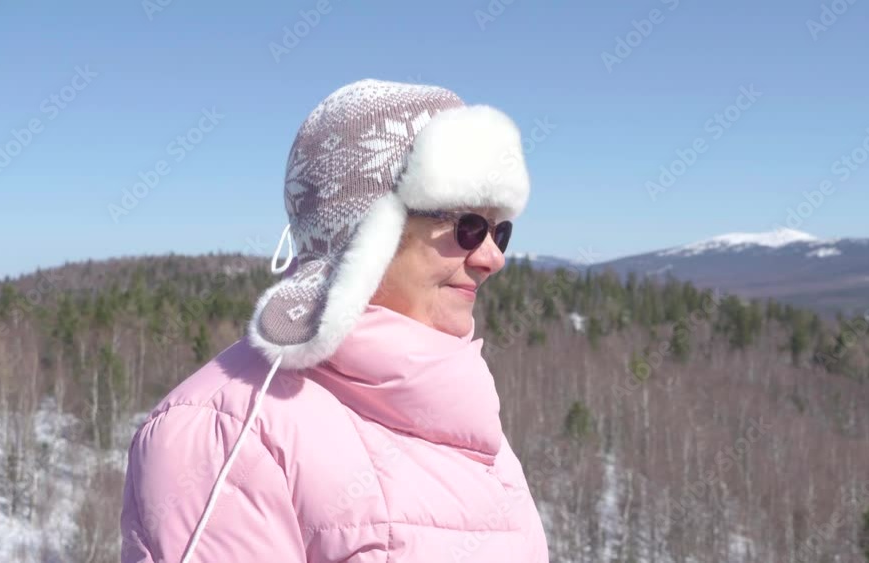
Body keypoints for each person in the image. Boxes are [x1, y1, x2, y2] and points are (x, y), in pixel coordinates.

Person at [119, 78, 549, 562]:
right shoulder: (225, 433)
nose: (493, 257)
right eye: (467, 227)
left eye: (500, 230)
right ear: (365, 231)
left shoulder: (461, 409)